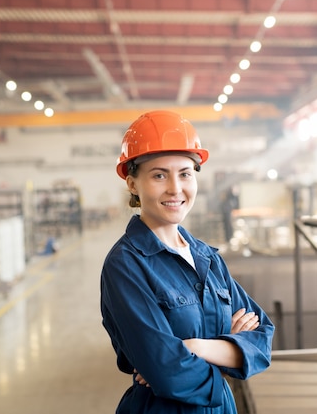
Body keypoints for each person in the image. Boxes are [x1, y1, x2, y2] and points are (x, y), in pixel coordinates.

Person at [100, 110, 274, 414]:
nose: (175, 188)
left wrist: (194, 348)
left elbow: (262, 342)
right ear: (132, 183)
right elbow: (167, 372)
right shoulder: (125, 265)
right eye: (158, 175)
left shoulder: (207, 257)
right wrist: (227, 357)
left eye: (185, 173)